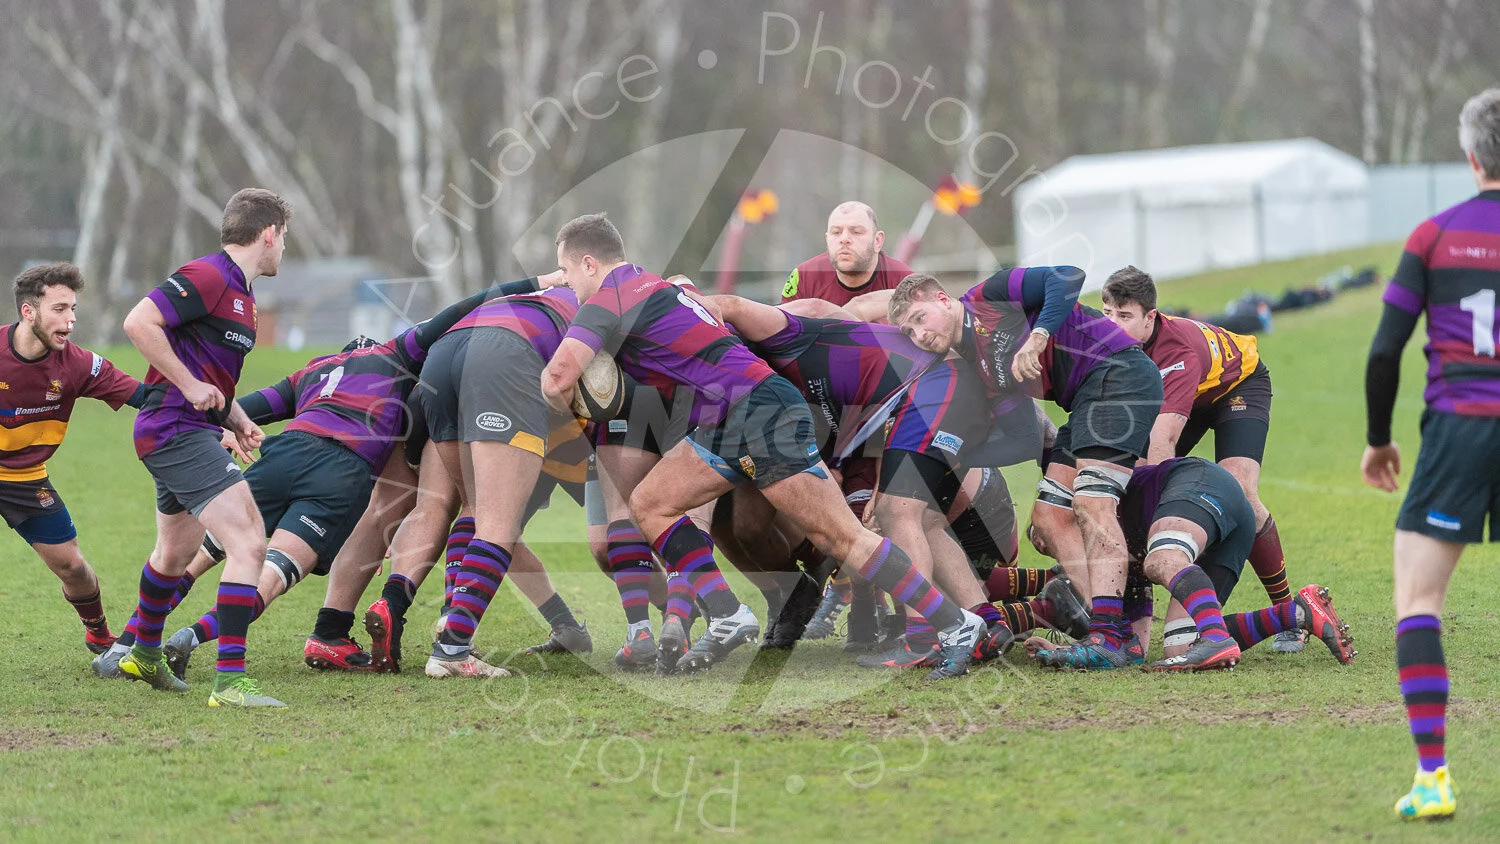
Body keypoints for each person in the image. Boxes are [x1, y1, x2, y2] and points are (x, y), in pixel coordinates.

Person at [541, 213, 986, 678]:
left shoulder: (605, 298)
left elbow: (557, 379)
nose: (569, 287)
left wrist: (565, 401)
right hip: (730, 417)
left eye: (568, 274)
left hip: (758, 412)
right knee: (652, 505)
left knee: (841, 537)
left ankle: (956, 625)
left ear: (589, 263)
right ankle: (729, 614)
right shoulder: (654, 285)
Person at [889, 268, 1163, 671]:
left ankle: (1105, 637)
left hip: (1118, 374)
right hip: (1088, 400)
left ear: (943, 300)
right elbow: (1022, 439)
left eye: (919, 319)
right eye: (909, 333)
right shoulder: (981, 367)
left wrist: (1039, 336)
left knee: (1091, 502)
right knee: (1050, 519)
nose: (920, 335)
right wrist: (955, 457)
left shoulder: (988, 297)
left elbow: (1067, 278)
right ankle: (1112, 633)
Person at [1362, 87, 1500, 821]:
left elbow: (1385, 350)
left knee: (1419, 601)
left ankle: (1434, 779)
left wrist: (1380, 438)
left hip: (1458, 429)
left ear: (1471, 155)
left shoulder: (1433, 236)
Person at [115, 188, 287, 708]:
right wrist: (190, 387)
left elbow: (213, 376)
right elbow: (137, 323)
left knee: (175, 553)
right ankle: (232, 683)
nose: (284, 250)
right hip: (174, 428)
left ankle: (142, 654)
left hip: (185, 429)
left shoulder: (244, 295)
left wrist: (235, 418)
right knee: (250, 542)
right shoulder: (208, 274)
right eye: (285, 240)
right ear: (269, 234)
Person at [1100, 266, 1303, 653]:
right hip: (1191, 395)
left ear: (1150, 318)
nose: (1112, 325)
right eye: (1108, 313)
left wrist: (1159, 531)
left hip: (1236, 385)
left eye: (1124, 316)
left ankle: (1286, 611)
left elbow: (1163, 447)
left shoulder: (1174, 353)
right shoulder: (1110, 342)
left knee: (1239, 489)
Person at [1023, 457, 1354, 670]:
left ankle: (1215, 637)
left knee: (1163, 559)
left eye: (1049, 543)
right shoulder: (1111, 567)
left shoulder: (1094, 516)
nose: (1058, 554)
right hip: (1227, 526)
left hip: (1202, 483)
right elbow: (1133, 649)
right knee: (1179, 647)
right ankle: (1297, 612)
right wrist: (1067, 652)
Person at [0, 263, 147, 654]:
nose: (70, 321)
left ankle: (99, 634)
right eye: (60, 309)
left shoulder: (79, 364)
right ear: (28, 312)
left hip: (25, 478)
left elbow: (146, 398)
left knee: (73, 567)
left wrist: (213, 421)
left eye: (73, 310)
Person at [781, 201, 913, 312]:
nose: (844, 239)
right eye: (836, 232)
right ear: (827, 239)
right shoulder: (804, 277)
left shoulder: (904, 281)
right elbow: (782, 336)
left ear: (877, 241)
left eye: (856, 232)